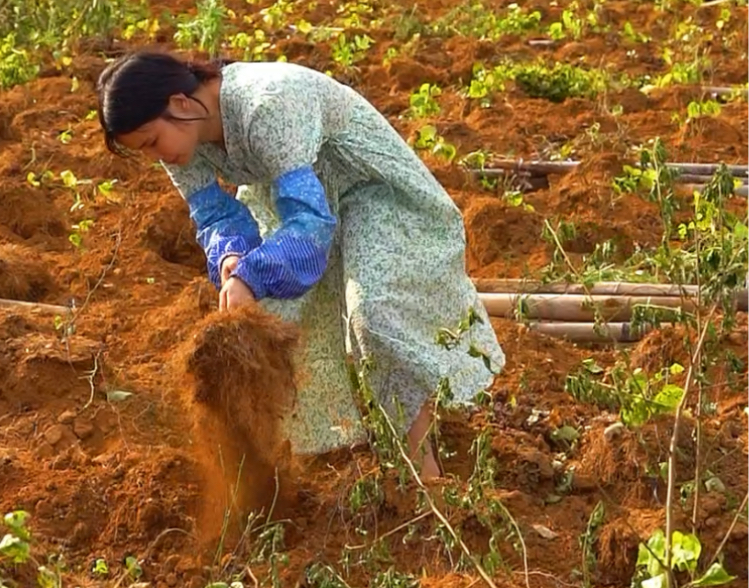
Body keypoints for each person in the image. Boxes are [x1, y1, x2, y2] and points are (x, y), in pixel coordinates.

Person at [96, 50, 506, 477]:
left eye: (150, 142)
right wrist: (233, 261)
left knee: (375, 315)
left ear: (180, 103)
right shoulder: (182, 141)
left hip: (369, 190)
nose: (154, 156)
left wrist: (253, 277)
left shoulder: (265, 105)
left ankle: (425, 475)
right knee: (267, 323)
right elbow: (215, 215)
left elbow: (309, 228)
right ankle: (291, 465)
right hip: (295, 198)